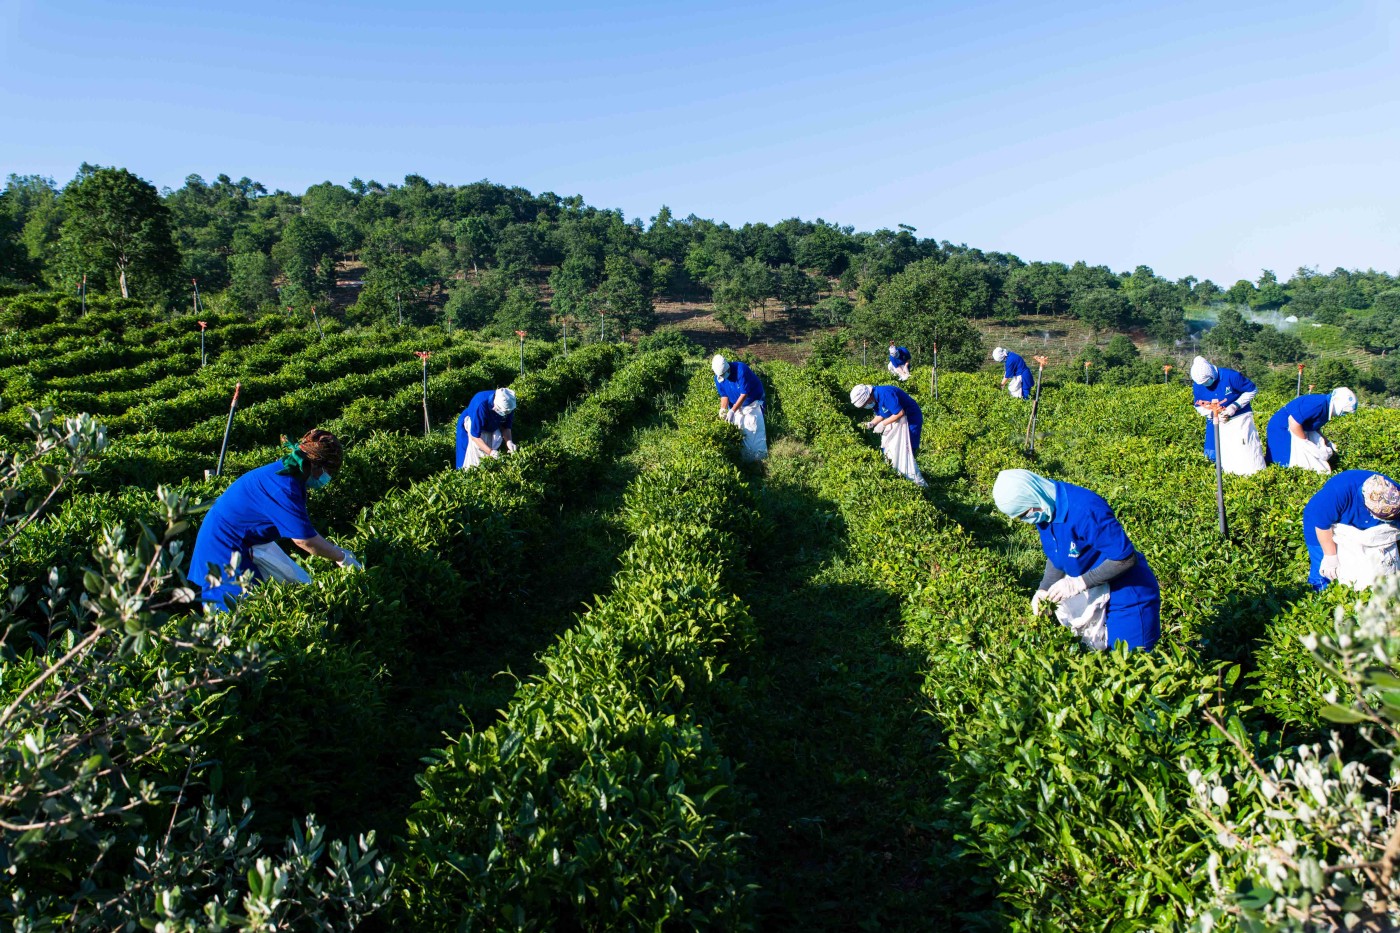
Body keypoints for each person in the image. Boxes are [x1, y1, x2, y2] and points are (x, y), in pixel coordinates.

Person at [190, 429, 361, 610]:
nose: (328, 478)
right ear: (315, 466)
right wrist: (340, 556)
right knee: (237, 614)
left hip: (247, 543)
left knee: (276, 597)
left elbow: (303, 529)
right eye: (329, 472)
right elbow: (304, 540)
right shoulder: (283, 487)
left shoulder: (290, 476)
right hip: (223, 549)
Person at [992, 468, 1160, 651]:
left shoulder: (1085, 510)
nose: (1026, 520)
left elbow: (1125, 559)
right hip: (1095, 590)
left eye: (1024, 514)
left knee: (1131, 660)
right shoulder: (1044, 508)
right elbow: (1058, 553)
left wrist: (1078, 583)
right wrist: (1044, 588)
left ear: (1033, 497)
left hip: (1126, 592)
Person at [1302, 470, 1400, 590]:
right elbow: (1322, 525)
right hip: (1322, 526)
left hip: (1362, 527)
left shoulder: (1394, 495)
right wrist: (1330, 558)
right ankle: (1320, 592)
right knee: (1323, 566)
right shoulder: (1338, 492)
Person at [1190, 355, 1265, 476]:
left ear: (1212, 374)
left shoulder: (1231, 376)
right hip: (1216, 420)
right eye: (1203, 383)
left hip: (1240, 418)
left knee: (1244, 451)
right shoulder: (1198, 385)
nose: (1206, 384)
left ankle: (1251, 475)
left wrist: (1235, 406)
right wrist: (1211, 413)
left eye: (1207, 381)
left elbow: (1252, 390)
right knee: (1215, 453)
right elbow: (1198, 405)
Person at [849, 383, 925, 486]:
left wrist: (883, 424)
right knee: (891, 448)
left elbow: (899, 413)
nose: (866, 406)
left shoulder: (885, 394)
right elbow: (881, 414)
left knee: (907, 447)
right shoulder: (874, 399)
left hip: (910, 418)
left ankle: (912, 478)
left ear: (868, 397)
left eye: (865, 404)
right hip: (898, 420)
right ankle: (898, 473)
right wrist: (872, 423)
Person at [1266, 387, 1357, 473]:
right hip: (1283, 428)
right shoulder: (1318, 405)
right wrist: (1305, 443)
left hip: (1294, 428)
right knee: (1284, 462)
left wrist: (1328, 443)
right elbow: (1293, 422)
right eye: (1344, 412)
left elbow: (1313, 427)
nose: (1343, 415)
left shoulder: (1325, 408)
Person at [712, 354, 768, 461]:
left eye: (725, 373)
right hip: (737, 406)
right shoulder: (718, 378)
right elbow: (724, 395)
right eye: (721, 375)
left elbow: (744, 394)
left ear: (728, 368)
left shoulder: (741, 369)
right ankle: (745, 460)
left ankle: (759, 459)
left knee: (752, 428)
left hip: (753, 403)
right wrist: (723, 409)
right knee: (740, 431)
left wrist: (732, 411)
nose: (724, 376)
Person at [456, 387, 517, 470]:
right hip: (473, 423)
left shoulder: (508, 405)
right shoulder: (481, 406)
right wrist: (490, 452)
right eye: (504, 412)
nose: (506, 413)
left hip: (491, 424)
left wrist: (509, 441)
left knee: (494, 444)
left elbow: (506, 426)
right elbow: (475, 436)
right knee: (473, 456)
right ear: (496, 406)